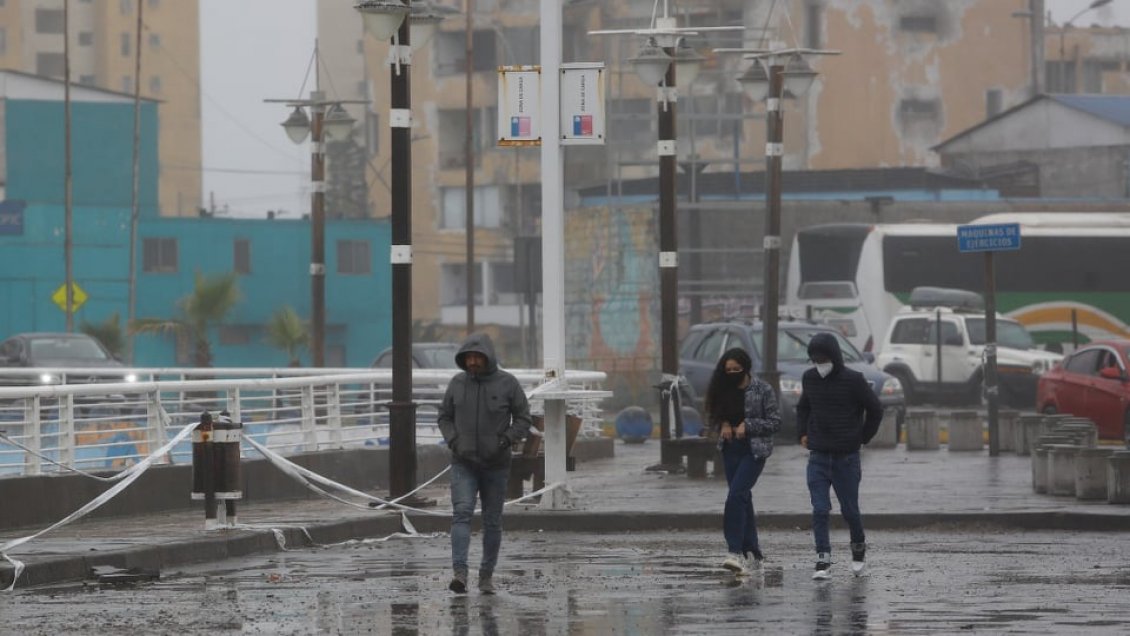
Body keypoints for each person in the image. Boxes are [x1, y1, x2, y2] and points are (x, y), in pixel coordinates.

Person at [437, 332, 532, 595]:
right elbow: (444, 416)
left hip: (496, 464)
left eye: (478, 357)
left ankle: (486, 577)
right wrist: (454, 440)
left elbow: (523, 419)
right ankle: (460, 574)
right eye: (469, 358)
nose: (473, 362)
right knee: (462, 513)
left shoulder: (508, 384)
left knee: (492, 521)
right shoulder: (456, 384)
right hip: (462, 462)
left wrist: (505, 441)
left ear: (488, 358)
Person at [796, 332, 883, 580]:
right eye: (814, 359)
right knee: (820, 509)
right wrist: (802, 432)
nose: (819, 363)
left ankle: (858, 547)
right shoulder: (810, 378)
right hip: (818, 456)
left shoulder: (853, 380)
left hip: (846, 458)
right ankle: (822, 558)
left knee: (850, 511)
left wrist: (862, 436)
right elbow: (804, 406)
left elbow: (875, 409)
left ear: (834, 356)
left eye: (823, 358)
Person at [704, 347, 781, 575]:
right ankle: (754, 553)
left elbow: (775, 422)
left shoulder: (763, 389)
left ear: (746, 368)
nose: (732, 373)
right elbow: (716, 415)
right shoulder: (722, 388)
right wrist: (725, 424)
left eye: (737, 369)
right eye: (728, 370)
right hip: (730, 449)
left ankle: (734, 551)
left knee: (736, 495)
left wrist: (749, 426)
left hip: (754, 450)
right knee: (743, 497)